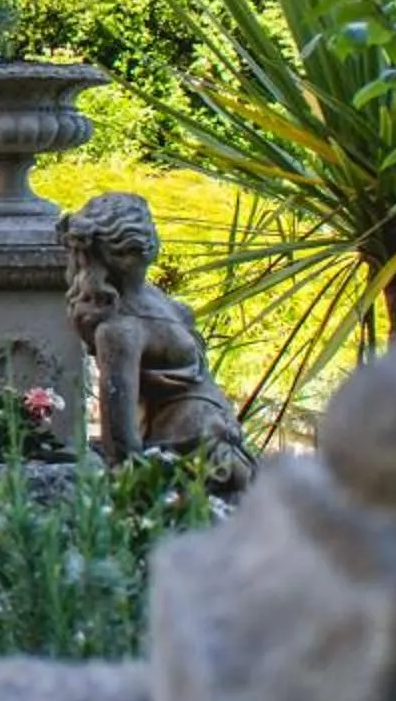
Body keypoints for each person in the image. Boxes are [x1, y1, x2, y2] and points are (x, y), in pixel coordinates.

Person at [60, 191, 255, 492]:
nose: (149, 241)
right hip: (189, 450)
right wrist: (134, 492)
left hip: (214, 435)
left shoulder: (153, 297)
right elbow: (120, 439)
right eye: (137, 238)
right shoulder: (119, 330)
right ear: (111, 251)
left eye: (148, 226)